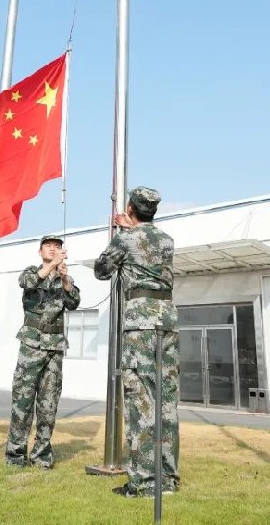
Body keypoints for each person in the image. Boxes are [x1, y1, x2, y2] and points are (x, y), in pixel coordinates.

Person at [94, 187, 179, 497]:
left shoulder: (125, 239)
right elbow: (147, 241)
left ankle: (143, 483)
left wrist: (122, 233)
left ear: (130, 208)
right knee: (165, 402)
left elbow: (101, 270)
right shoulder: (167, 240)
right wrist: (131, 228)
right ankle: (167, 479)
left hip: (140, 323)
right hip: (166, 321)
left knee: (141, 399)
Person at [4, 234, 81, 469]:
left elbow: (74, 303)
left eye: (57, 246)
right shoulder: (32, 271)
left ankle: (41, 456)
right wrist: (50, 267)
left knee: (48, 404)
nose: (53, 249)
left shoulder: (64, 278)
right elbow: (27, 283)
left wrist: (65, 279)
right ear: (40, 252)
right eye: (48, 246)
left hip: (54, 349)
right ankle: (15, 455)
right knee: (23, 401)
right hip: (31, 345)